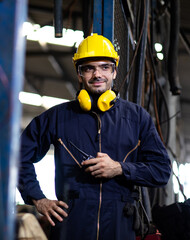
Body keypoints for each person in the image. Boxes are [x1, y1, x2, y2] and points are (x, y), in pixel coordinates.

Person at [17, 33, 171, 240]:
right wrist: (38, 198)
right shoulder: (58, 117)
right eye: (89, 68)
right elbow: (17, 156)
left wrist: (120, 168)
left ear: (115, 72)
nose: (97, 74)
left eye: (104, 67)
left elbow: (161, 171)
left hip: (120, 225)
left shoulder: (136, 118)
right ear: (79, 74)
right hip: (71, 225)